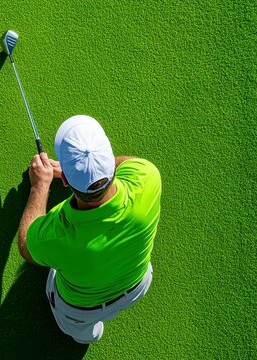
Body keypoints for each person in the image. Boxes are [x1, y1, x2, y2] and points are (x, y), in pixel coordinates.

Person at [17, 115, 161, 344]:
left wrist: (40, 186)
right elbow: (124, 164)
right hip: (137, 285)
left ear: (64, 180)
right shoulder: (147, 177)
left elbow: (25, 245)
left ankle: (89, 336)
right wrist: (87, 173)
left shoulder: (57, 235)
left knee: (84, 334)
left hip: (81, 311)